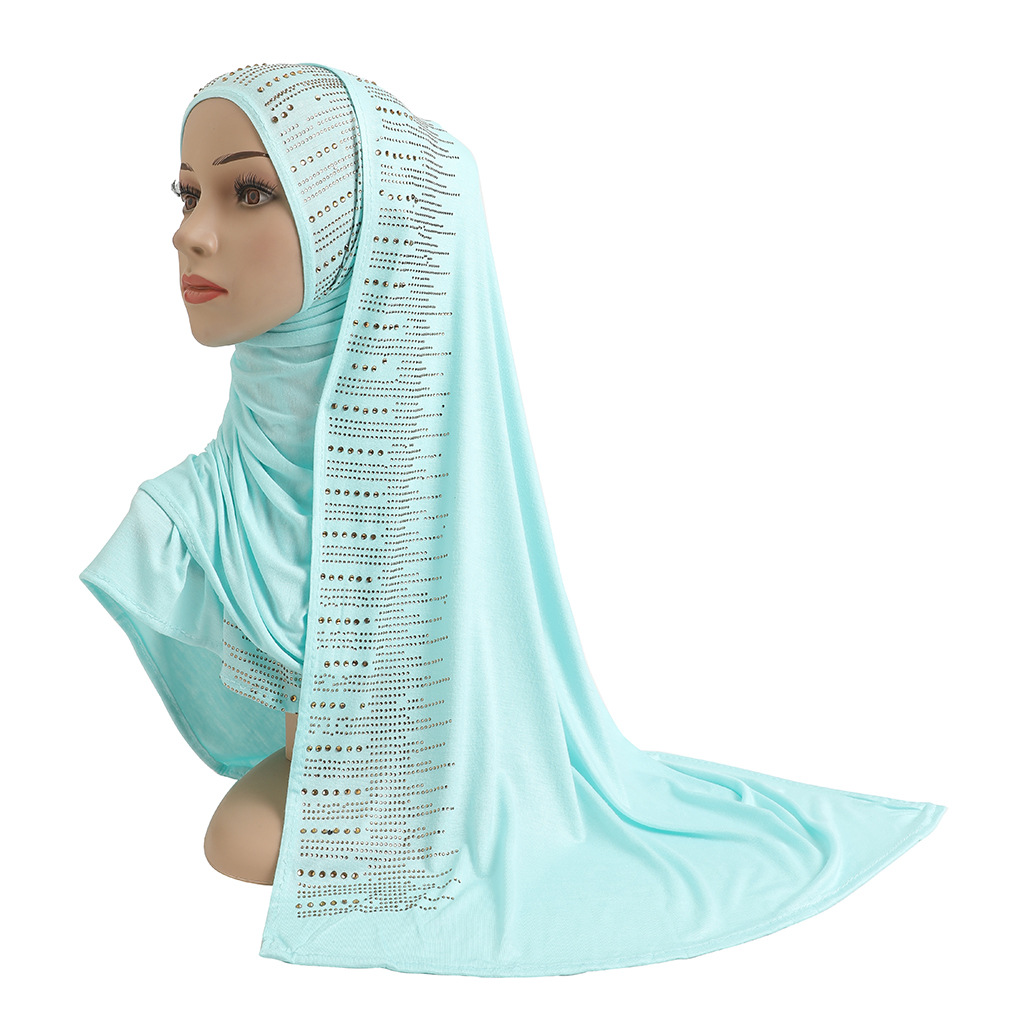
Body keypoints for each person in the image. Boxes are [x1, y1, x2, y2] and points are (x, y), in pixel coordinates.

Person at [79, 62, 946, 977]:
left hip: (420, 806)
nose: (189, 233)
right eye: (186, 194)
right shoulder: (200, 514)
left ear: (361, 227)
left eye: (250, 191)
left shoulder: (422, 509)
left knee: (239, 838)